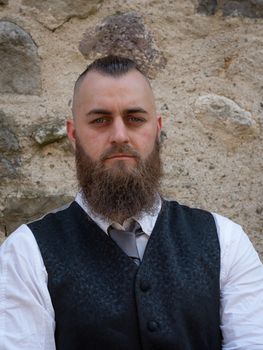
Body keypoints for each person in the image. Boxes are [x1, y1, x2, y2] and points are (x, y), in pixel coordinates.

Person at [0, 55, 263, 350]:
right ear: (73, 135)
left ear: (157, 128)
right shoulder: (26, 254)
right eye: (100, 120)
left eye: (135, 118)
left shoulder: (226, 241)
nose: (120, 135)